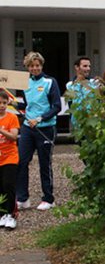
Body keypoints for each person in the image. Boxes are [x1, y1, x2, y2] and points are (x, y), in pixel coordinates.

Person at [16, 52, 62, 211]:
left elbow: (57, 106)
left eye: (37, 65)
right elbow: (26, 106)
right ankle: (22, 198)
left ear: (41, 65)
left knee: (44, 163)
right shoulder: (25, 83)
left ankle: (48, 198)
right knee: (21, 161)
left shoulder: (50, 82)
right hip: (28, 128)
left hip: (46, 128)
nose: (35, 68)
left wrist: (41, 118)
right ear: (27, 67)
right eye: (31, 66)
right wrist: (14, 104)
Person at [0, 90, 19, 230]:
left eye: (4, 103)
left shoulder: (12, 117)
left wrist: (1, 130)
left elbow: (13, 136)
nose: (2, 106)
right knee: (0, 187)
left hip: (10, 156)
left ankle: (11, 214)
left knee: (8, 185)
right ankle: (2, 214)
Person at [65, 57, 99, 130]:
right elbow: (71, 105)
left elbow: (98, 102)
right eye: (85, 66)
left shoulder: (94, 83)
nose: (88, 68)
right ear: (77, 67)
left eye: (89, 66)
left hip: (92, 123)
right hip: (77, 124)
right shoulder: (70, 85)